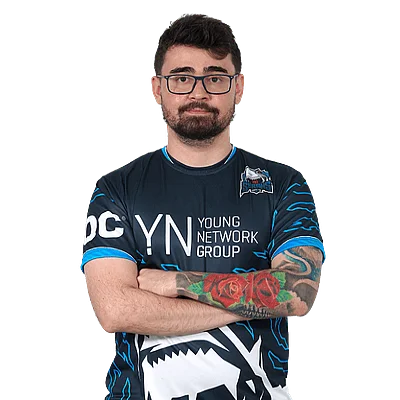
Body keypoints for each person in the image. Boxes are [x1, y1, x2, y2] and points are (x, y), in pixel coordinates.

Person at [80, 11, 326, 400]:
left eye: (215, 78)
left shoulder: (283, 186)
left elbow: (298, 292)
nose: (198, 92)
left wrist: (174, 283)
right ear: (157, 88)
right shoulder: (116, 190)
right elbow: (115, 310)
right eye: (181, 78)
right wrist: (255, 301)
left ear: (238, 87)